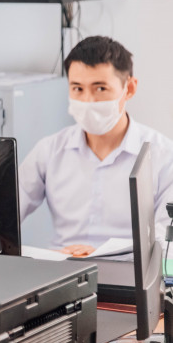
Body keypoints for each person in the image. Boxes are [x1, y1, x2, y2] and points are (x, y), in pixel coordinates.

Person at [20, 36, 173, 256]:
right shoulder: (49, 150)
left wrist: (104, 252)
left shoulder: (163, 156)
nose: (88, 101)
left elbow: (167, 238)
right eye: (77, 88)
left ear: (129, 88)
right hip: (62, 267)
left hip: (129, 271)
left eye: (100, 88)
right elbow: (4, 214)